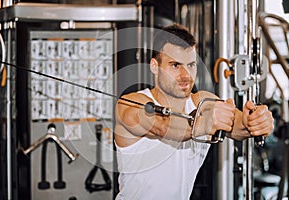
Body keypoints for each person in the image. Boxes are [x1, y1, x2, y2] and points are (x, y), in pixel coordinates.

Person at [114, 24, 274, 199]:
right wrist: (203, 122)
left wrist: (254, 122)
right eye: (175, 65)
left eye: (191, 65)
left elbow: (237, 125)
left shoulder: (202, 102)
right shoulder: (130, 104)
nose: (185, 75)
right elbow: (162, 126)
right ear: (154, 66)